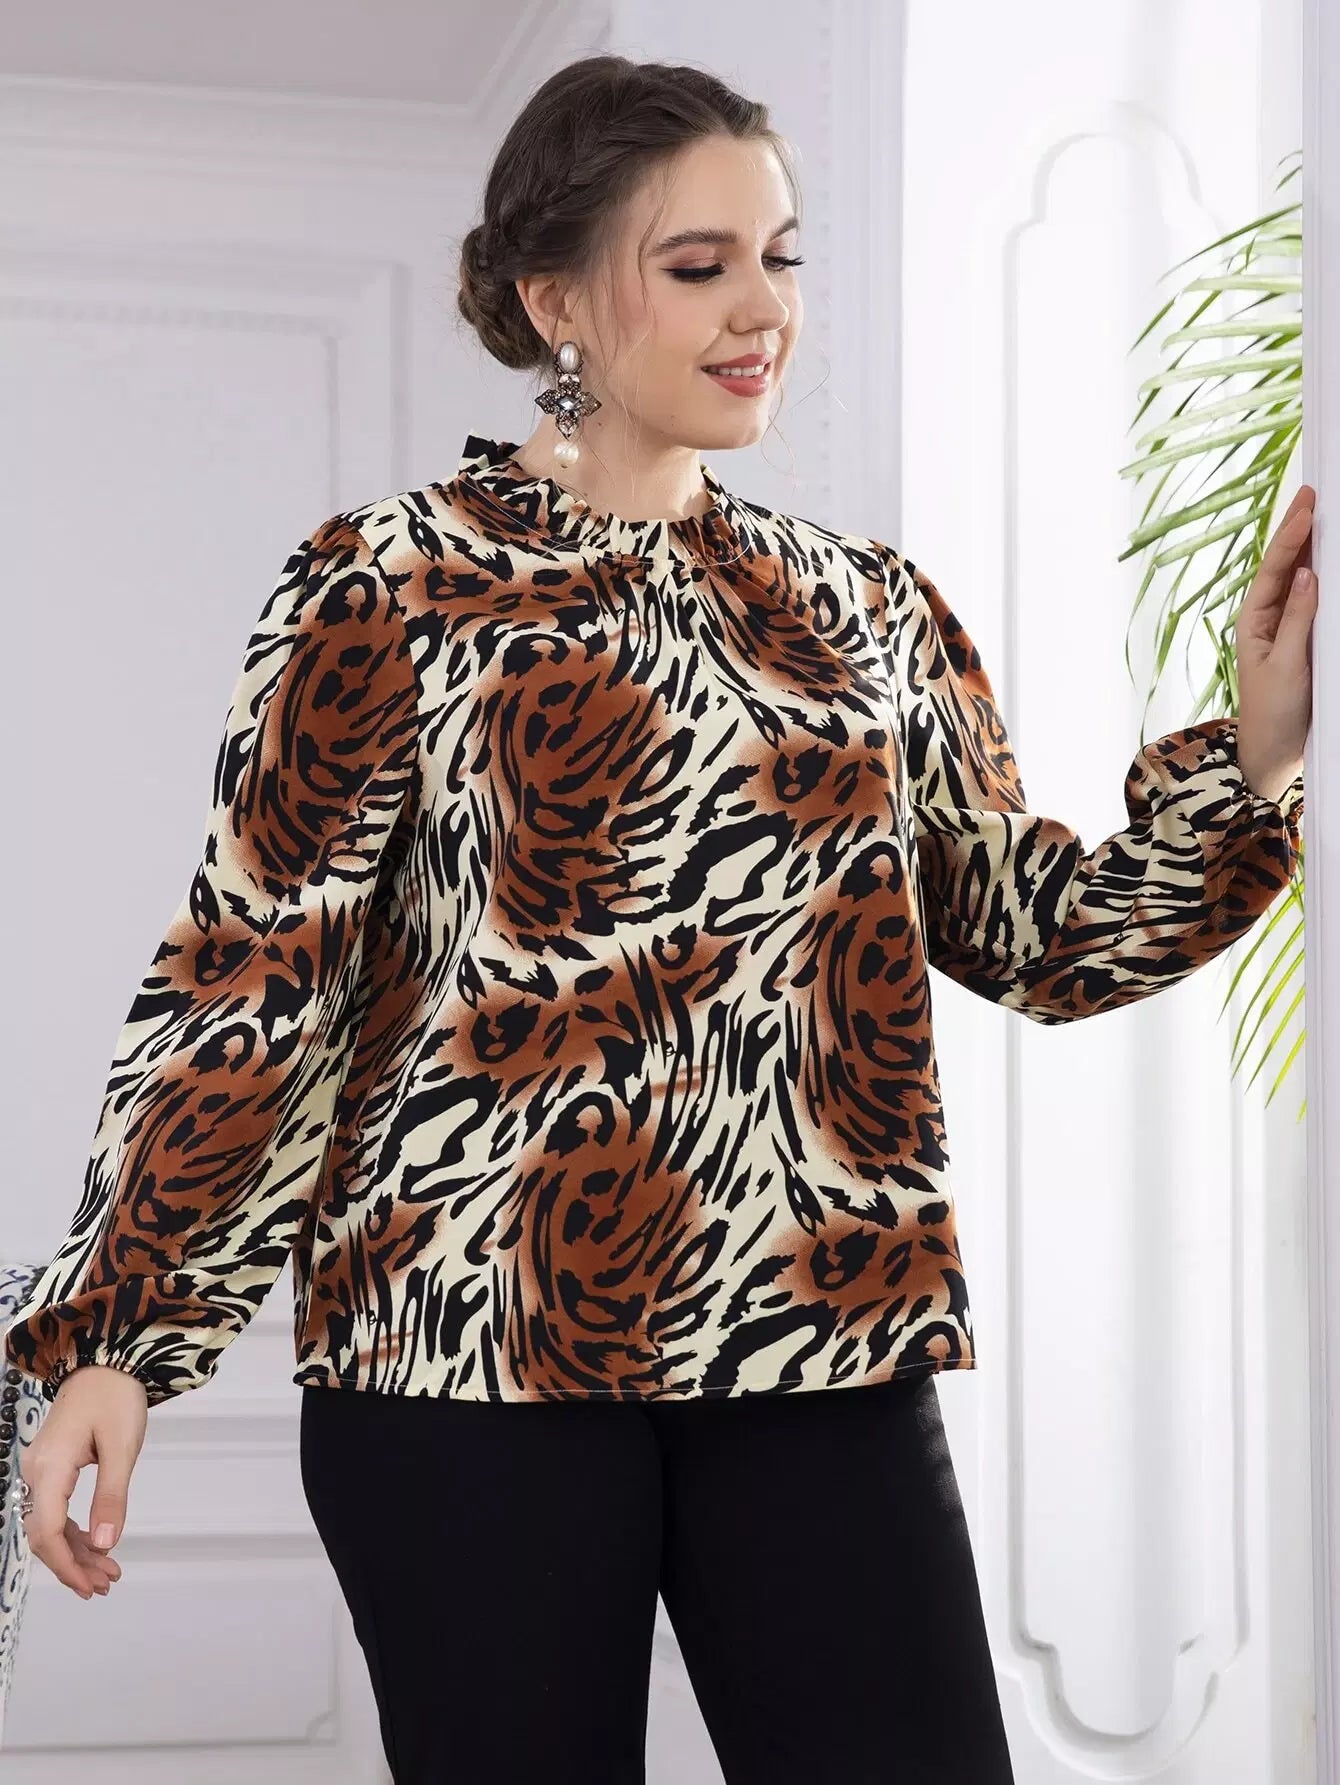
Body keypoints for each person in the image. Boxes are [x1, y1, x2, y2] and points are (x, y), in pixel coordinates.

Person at [4, 53, 1313, 1785]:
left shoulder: (863, 605)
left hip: (822, 1343)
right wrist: (119, 1341)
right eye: (698, 266)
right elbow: (258, 972)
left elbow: (1033, 930)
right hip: (464, 1366)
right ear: (555, 298)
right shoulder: (386, 583)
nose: (762, 308)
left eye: (780, 256)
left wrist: (1260, 754)